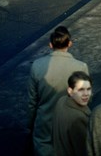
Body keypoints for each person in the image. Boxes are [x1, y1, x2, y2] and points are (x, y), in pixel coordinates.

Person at [28, 26, 89, 156]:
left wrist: (30, 124)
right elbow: (85, 100)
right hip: (69, 123)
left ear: (50, 45)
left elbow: (32, 101)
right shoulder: (80, 67)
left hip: (45, 123)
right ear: (70, 43)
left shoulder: (37, 66)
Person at [52, 71, 93, 156]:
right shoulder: (78, 118)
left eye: (88, 89)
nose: (86, 94)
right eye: (81, 90)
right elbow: (83, 151)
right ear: (70, 91)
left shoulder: (61, 100)